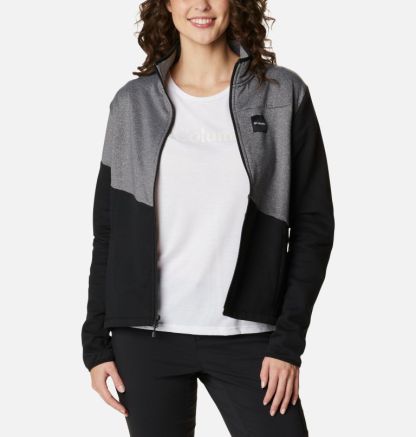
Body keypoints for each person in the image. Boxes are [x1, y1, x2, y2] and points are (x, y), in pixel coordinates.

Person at [81, 1, 335, 436]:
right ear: (167, 5)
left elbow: (313, 226)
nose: (201, 5)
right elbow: (108, 231)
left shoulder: (281, 94)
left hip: (252, 337)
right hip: (145, 339)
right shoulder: (133, 104)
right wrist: (96, 344)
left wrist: (288, 342)